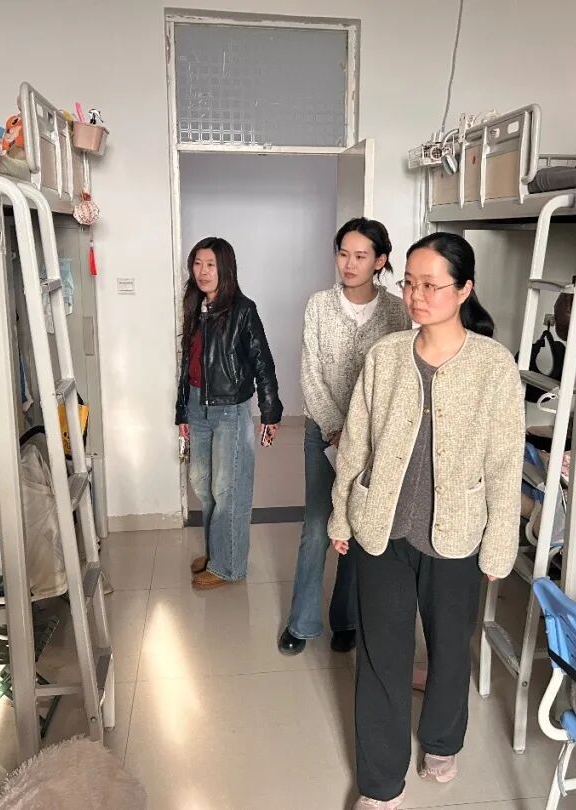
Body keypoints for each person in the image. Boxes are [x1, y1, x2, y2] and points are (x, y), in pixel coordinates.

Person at [328, 232, 525, 809]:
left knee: (449, 647)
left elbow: (504, 463)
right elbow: (357, 442)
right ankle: (380, 785)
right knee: (380, 659)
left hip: (458, 533)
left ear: (464, 290)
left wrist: (499, 546)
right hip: (381, 528)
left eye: (431, 285)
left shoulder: (493, 366)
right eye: (409, 283)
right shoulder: (386, 356)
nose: (415, 295)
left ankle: (441, 740)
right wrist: (341, 516)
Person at [278, 218, 412, 657]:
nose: (349, 264)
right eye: (343, 254)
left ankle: (346, 618)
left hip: (373, 440)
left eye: (360, 256)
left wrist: (365, 436)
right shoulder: (319, 305)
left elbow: (397, 377)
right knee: (317, 526)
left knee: (357, 525)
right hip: (323, 432)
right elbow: (310, 374)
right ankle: (301, 622)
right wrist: (337, 430)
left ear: (380, 261)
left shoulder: (397, 311)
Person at [176, 237, 282, 591]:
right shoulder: (196, 306)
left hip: (229, 411)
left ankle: (228, 566)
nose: (203, 272)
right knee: (203, 486)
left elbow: (263, 362)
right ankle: (216, 553)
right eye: (197, 264)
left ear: (225, 268)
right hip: (197, 406)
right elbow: (187, 365)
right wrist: (182, 412)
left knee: (228, 490)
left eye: (210, 264)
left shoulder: (243, 310)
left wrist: (270, 411)